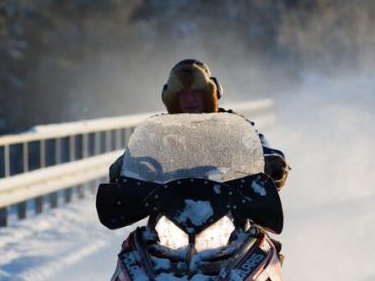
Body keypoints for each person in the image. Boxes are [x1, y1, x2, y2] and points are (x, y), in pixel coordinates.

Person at [109, 59, 290, 189]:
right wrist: (123, 166)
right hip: (170, 211)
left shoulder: (233, 126)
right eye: (182, 94)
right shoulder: (158, 131)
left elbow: (261, 147)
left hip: (230, 208)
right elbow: (137, 152)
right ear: (173, 99)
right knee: (136, 242)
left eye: (196, 92)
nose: (190, 100)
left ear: (209, 94)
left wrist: (271, 163)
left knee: (260, 242)